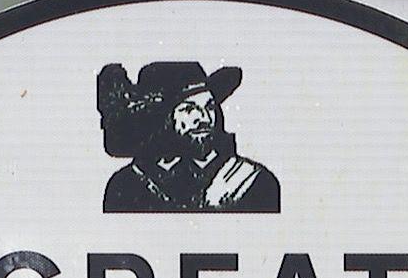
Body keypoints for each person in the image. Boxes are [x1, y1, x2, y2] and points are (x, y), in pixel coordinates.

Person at [98, 62, 281, 213]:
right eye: (188, 109)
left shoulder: (253, 182)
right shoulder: (126, 187)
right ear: (162, 118)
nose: (204, 118)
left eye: (209, 107)